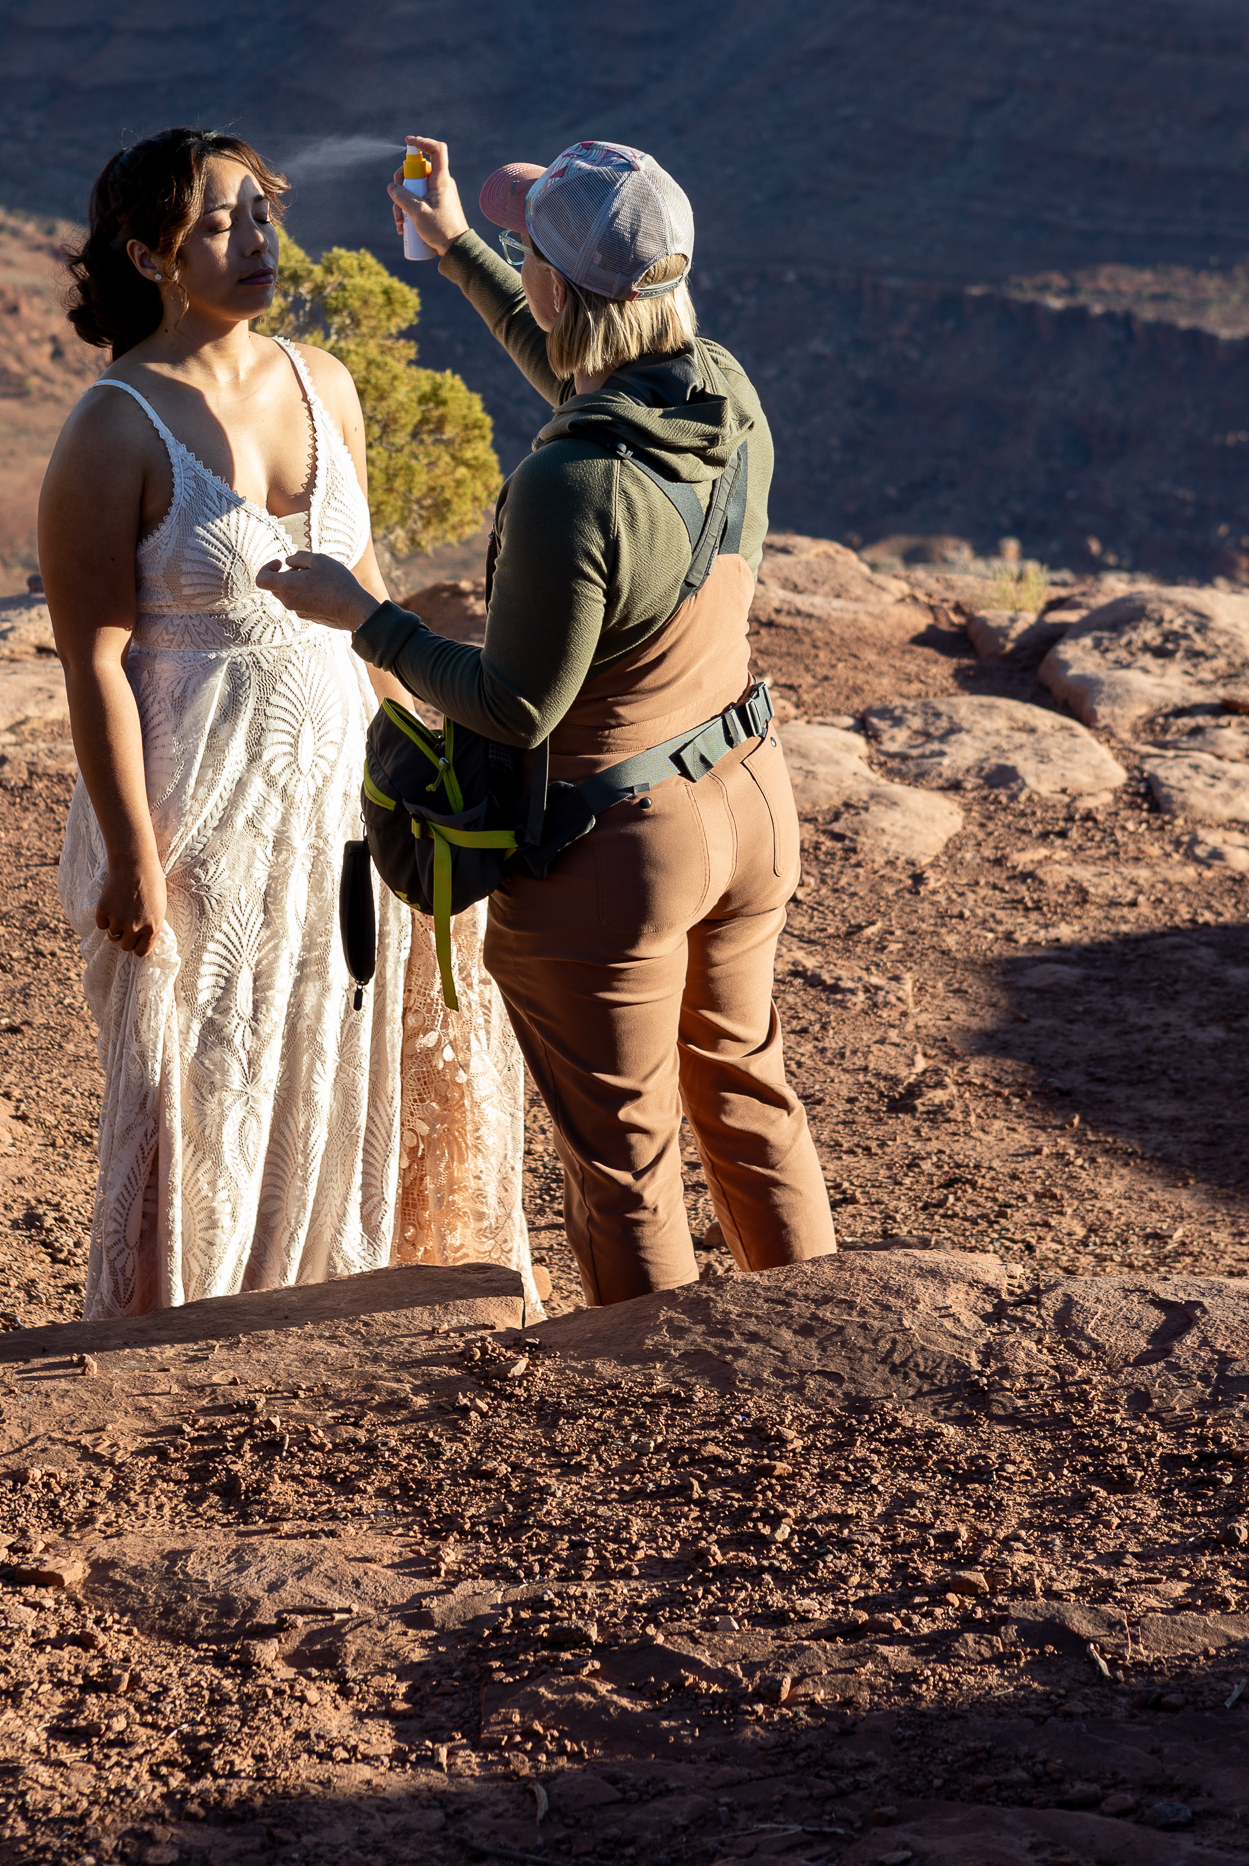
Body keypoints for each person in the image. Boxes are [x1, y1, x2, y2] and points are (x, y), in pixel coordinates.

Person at [258, 135, 837, 1307]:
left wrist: (361, 614)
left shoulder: (571, 485)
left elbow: (513, 706)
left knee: (625, 1163)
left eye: (529, 251)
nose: (521, 263)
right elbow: (581, 375)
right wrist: (457, 248)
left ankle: (660, 1417)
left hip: (617, 847)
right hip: (748, 802)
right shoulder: (718, 387)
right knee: (746, 1093)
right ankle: (822, 1353)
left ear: (562, 289)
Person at [39, 127, 535, 1318]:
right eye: (222, 220)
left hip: (347, 794)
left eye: (262, 211)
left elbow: (363, 588)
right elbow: (93, 662)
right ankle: (191, 1328)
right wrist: (130, 857)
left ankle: (345, 1302)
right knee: (214, 1079)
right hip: (198, 809)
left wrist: (425, 765)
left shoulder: (326, 380)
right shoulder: (113, 426)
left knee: (343, 1044)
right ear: (150, 254)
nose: (258, 238)